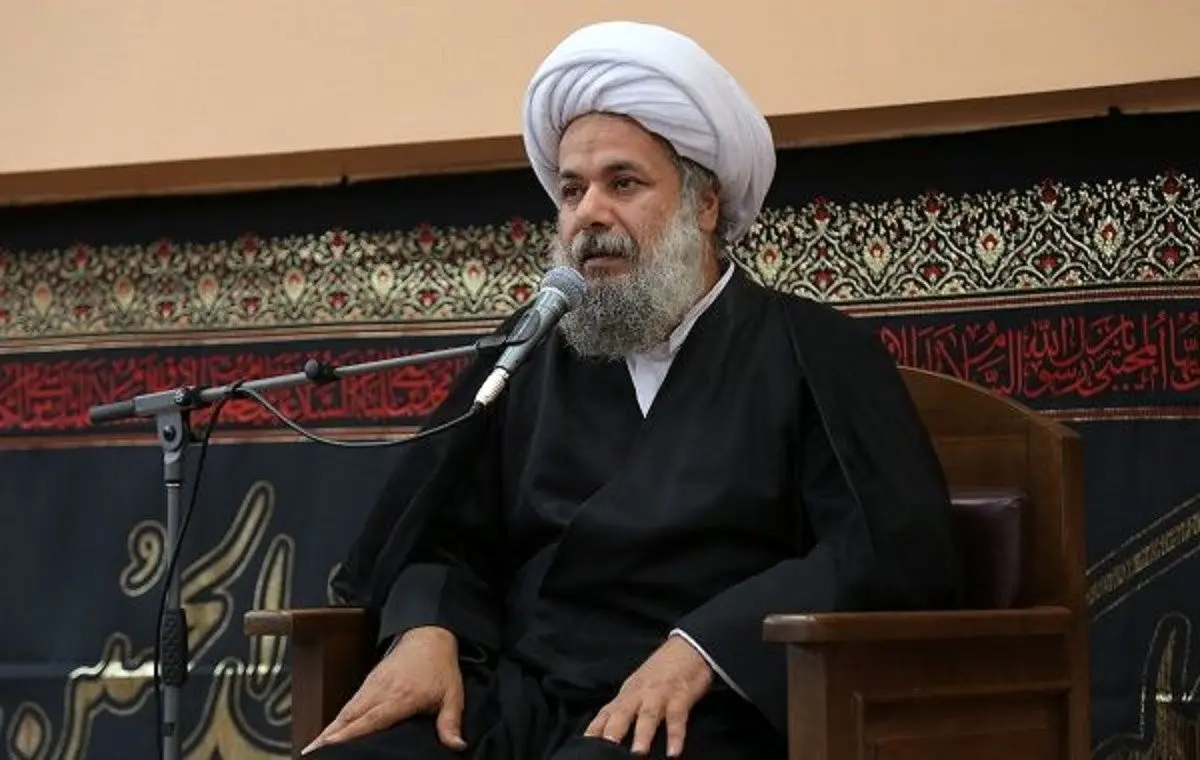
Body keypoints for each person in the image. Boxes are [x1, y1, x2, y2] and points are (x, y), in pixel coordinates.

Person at [307, 20, 963, 760]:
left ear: (704, 205)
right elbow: (444, 530)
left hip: (702, 710)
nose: (589, 213)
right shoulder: (531, 350)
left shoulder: (810, 349)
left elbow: (885, 551)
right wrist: (426, 629)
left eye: (622, 183)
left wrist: (705, 647)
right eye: (571, 190)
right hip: (522, 696)